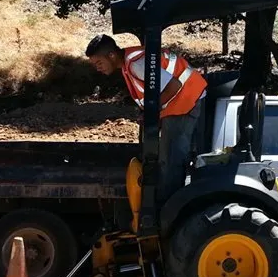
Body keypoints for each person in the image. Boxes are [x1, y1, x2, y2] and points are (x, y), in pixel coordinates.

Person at [85, 34, 208, 206]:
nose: (98, 68)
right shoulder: (129, 63)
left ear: (111, 55)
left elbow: (174, 86)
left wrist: (152, 112)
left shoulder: (137, 64)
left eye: (99, 63)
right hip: (184, 100)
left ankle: (169, 209)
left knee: (171, 159)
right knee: (172, 157)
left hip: (186, 102)